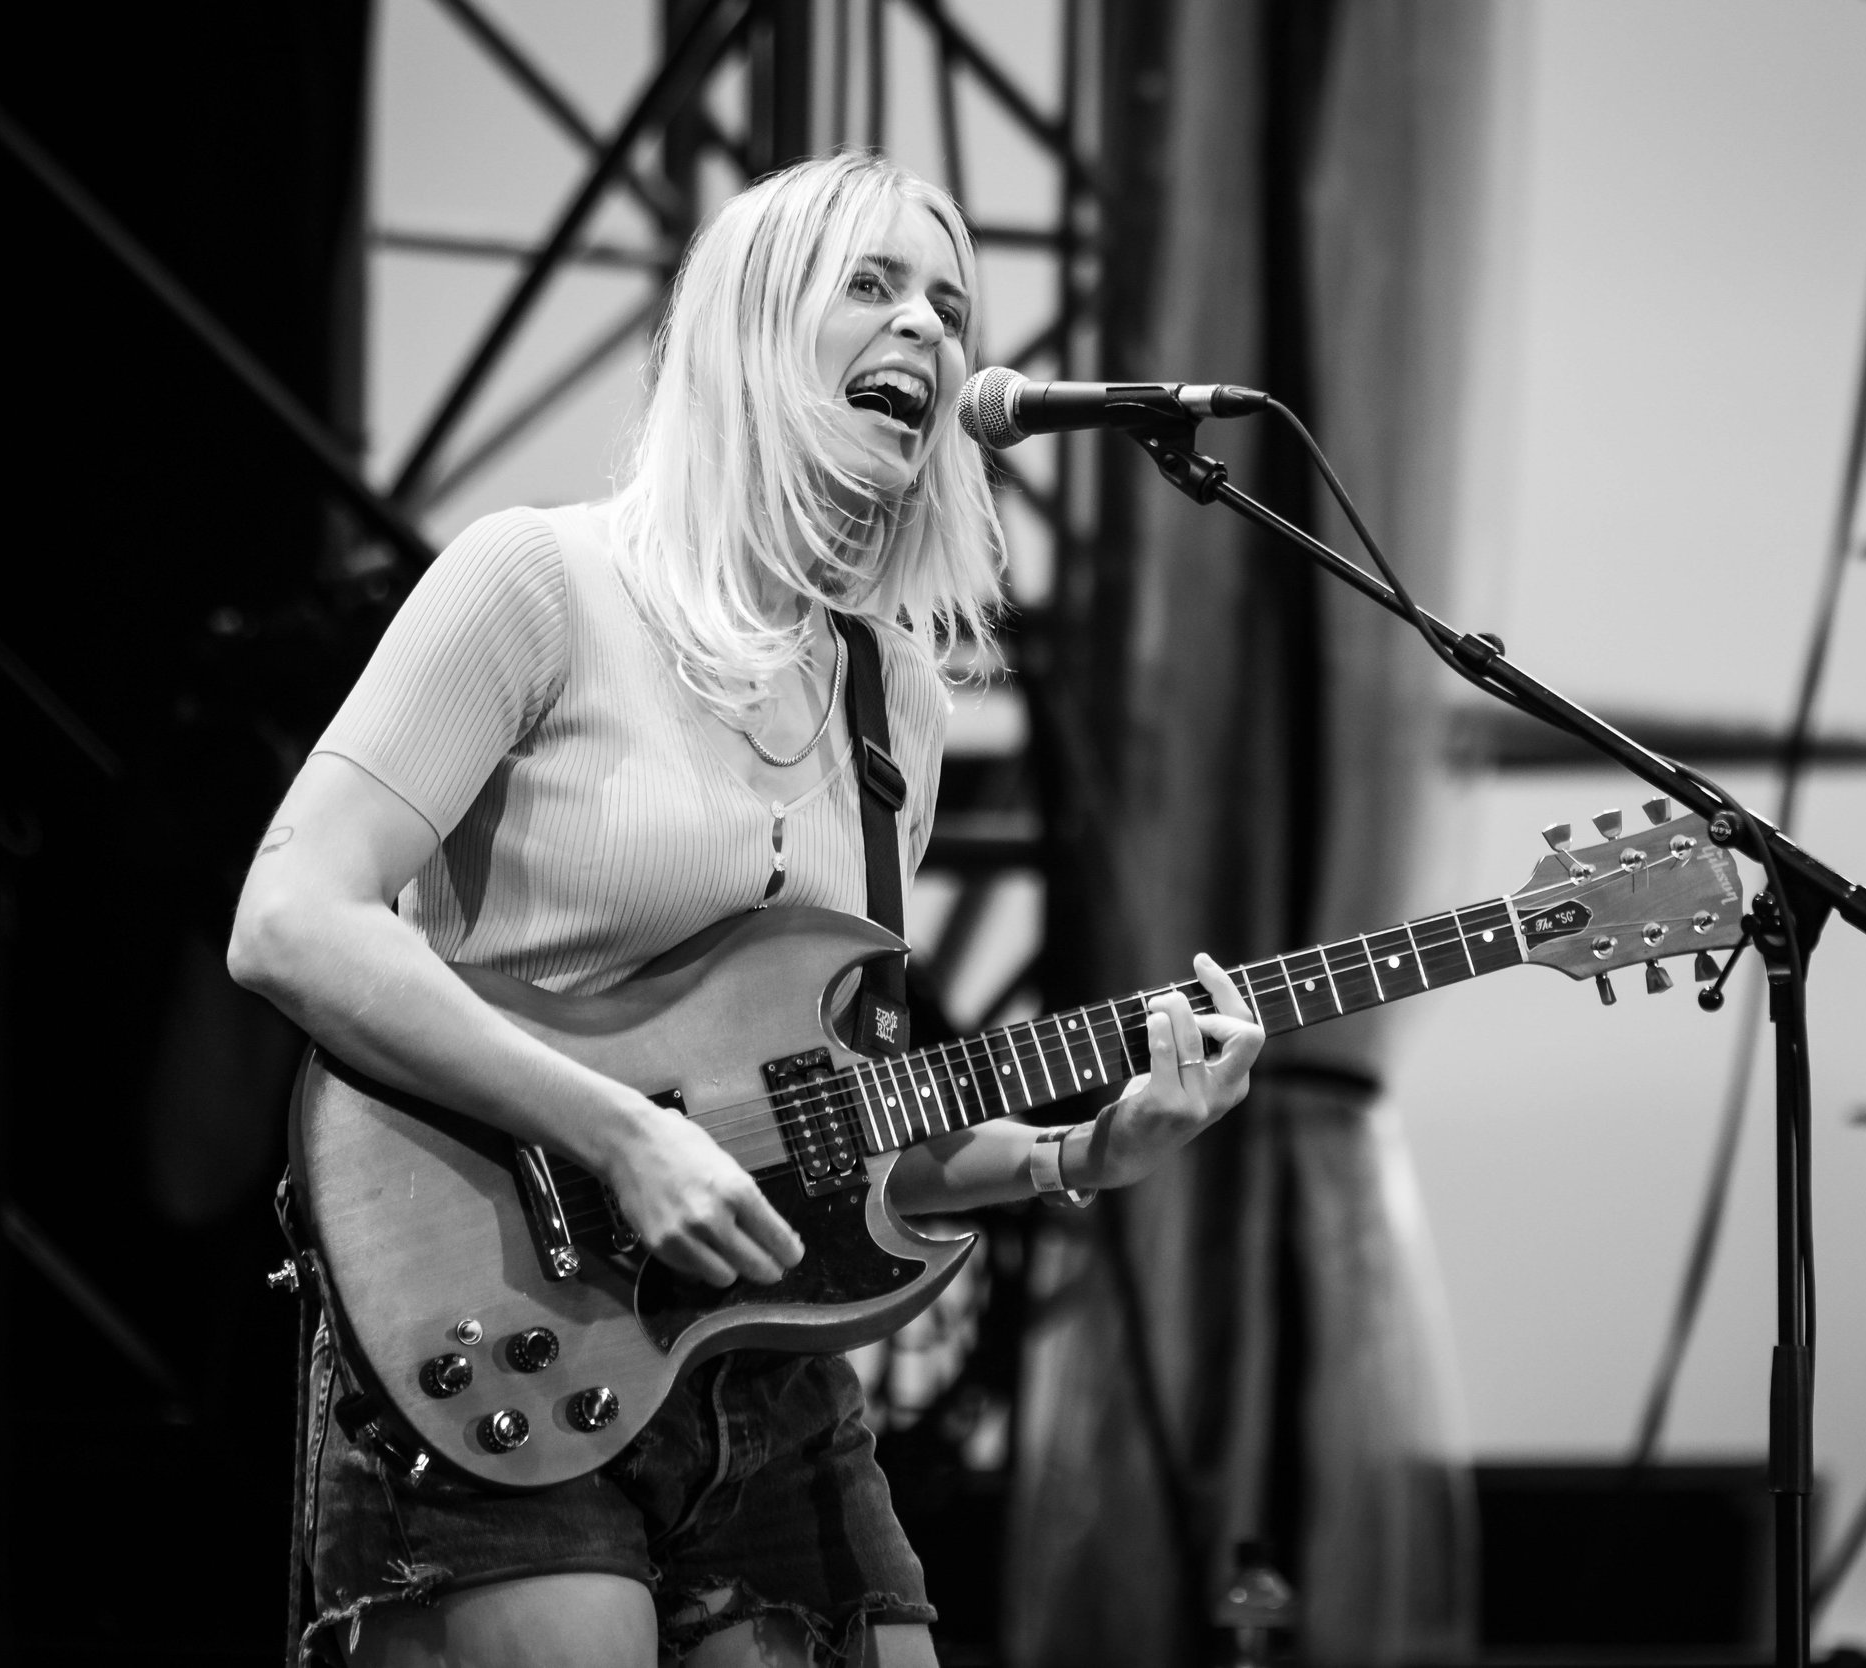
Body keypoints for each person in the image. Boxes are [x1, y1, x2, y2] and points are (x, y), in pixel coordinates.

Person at [228, 150, 1265, 1668]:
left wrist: (1082, 1152)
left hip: (764, 1367)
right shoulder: (539, 582)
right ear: (749, 328)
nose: (927, 327)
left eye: (950, 301)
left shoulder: (885, 695)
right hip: (502, 1311)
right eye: (873, 284)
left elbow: (845, 1122)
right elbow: (291, 921)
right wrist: (618, 1133)